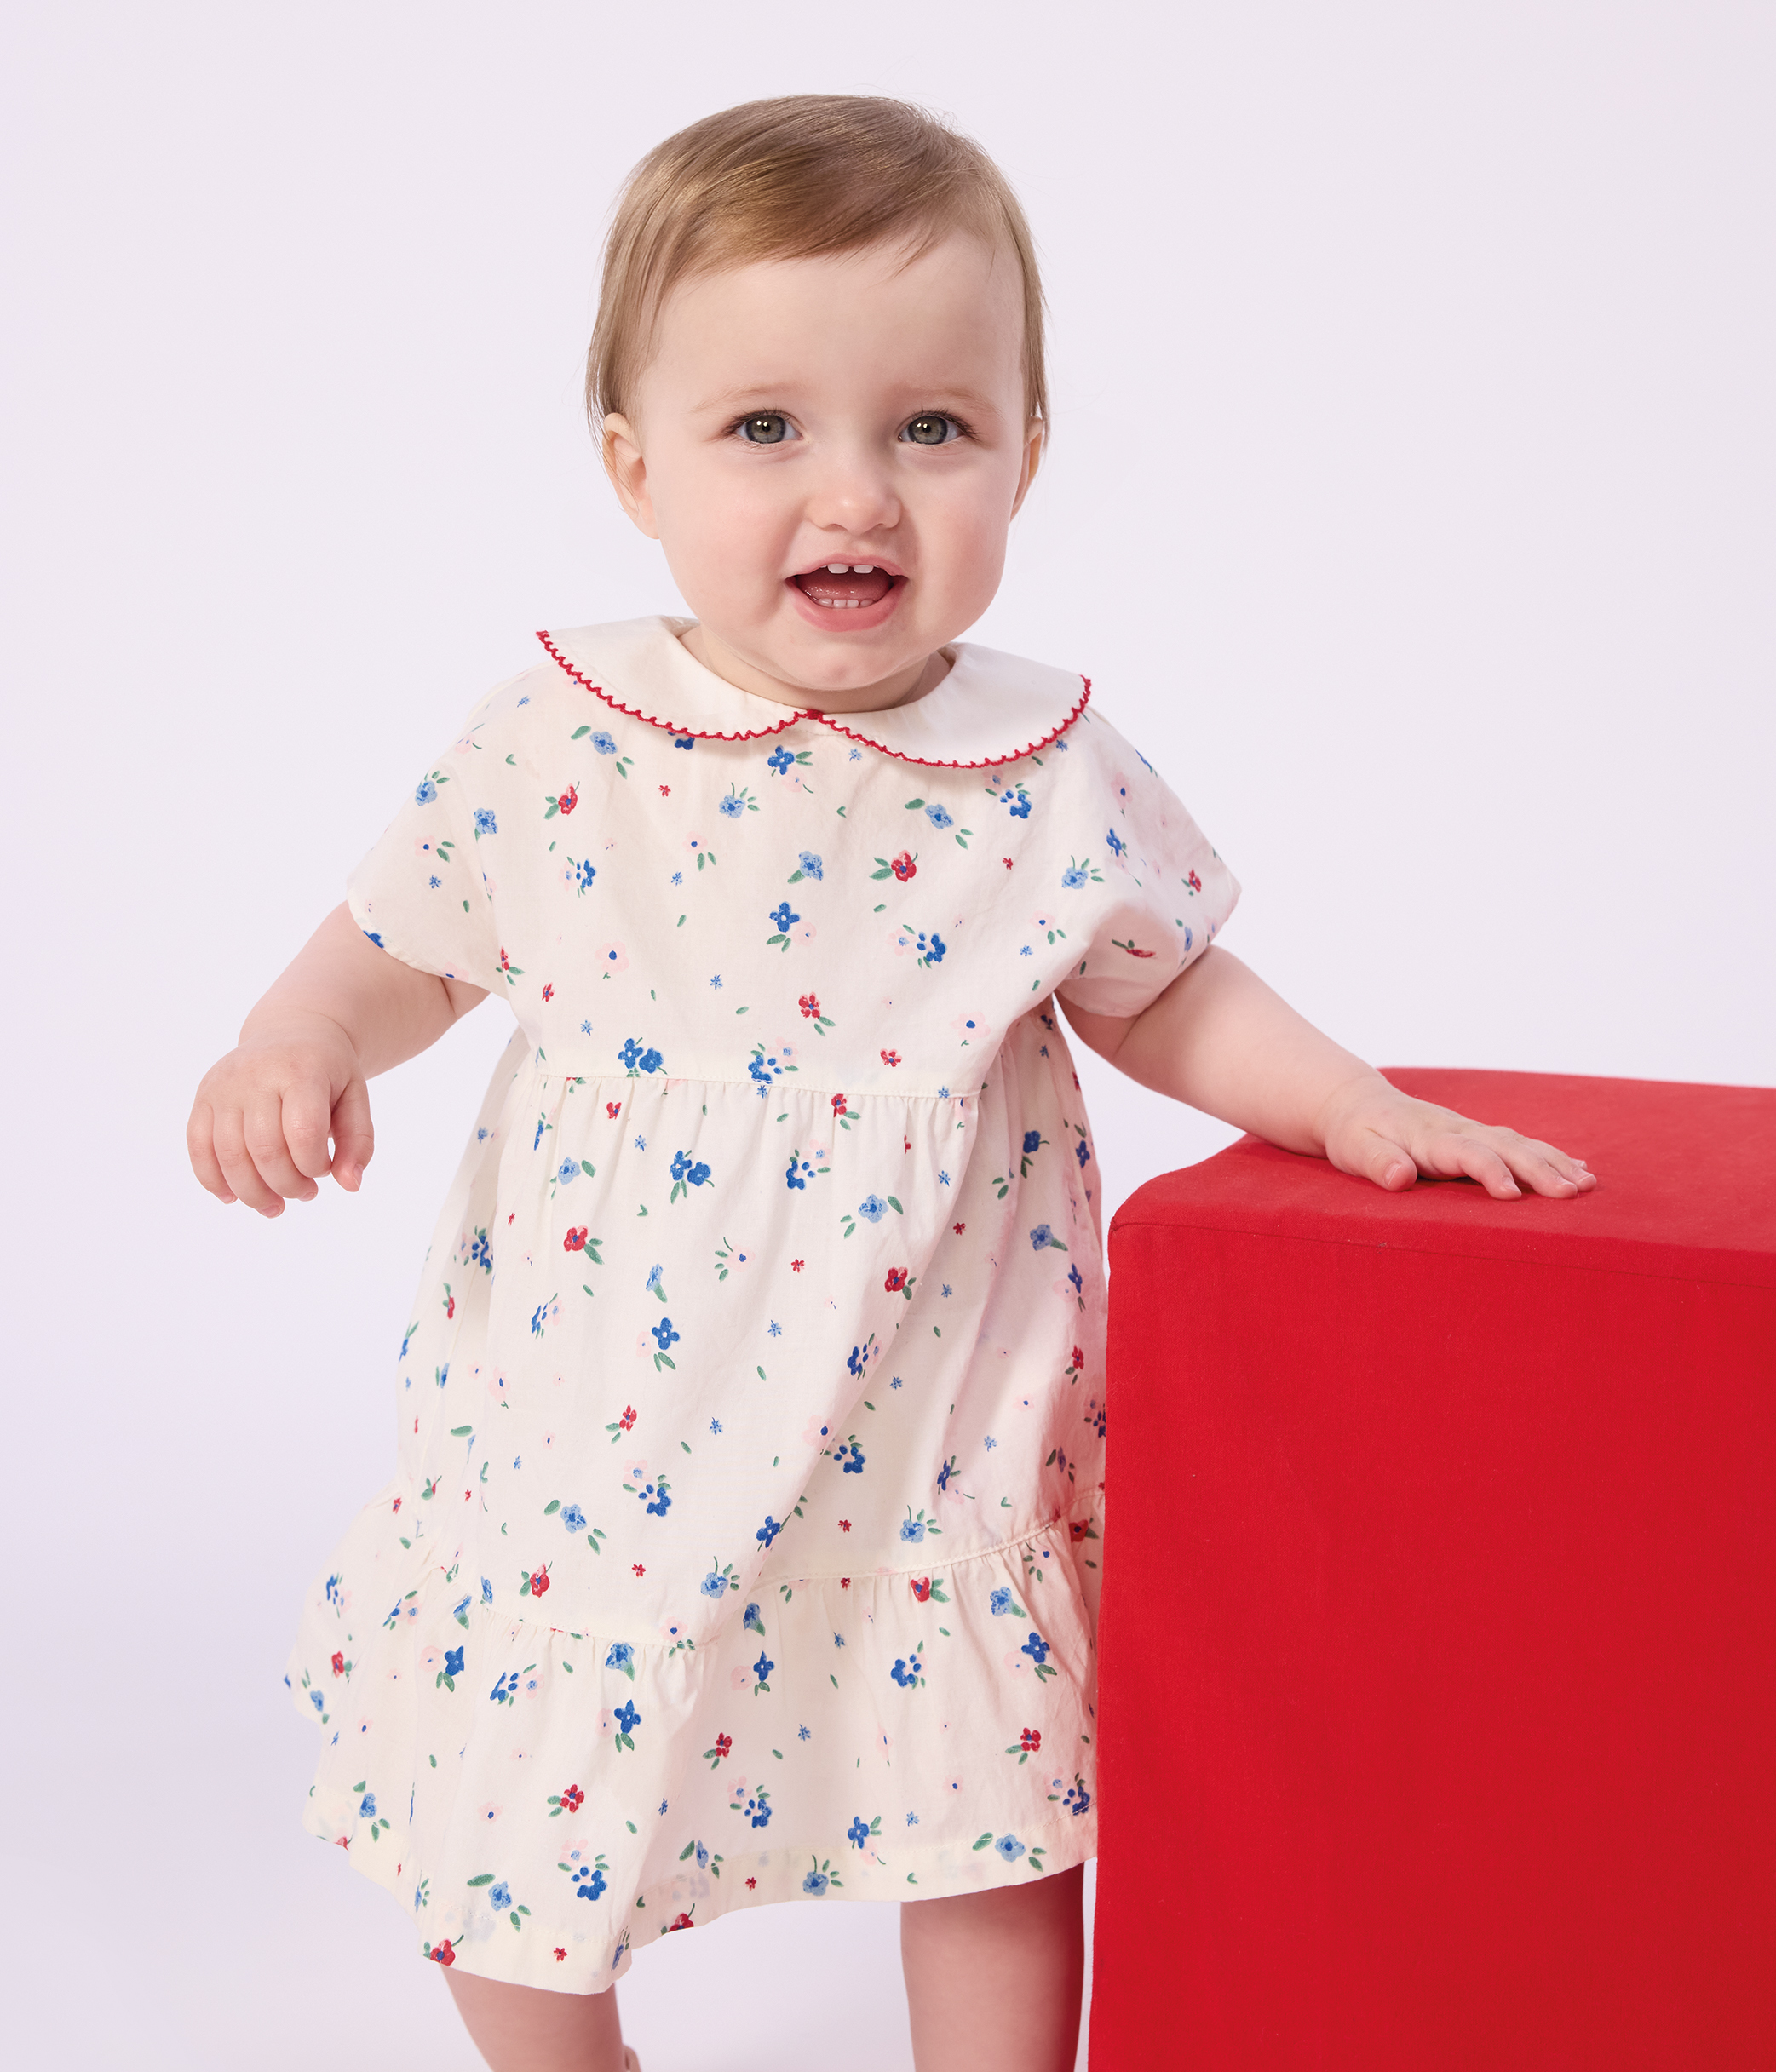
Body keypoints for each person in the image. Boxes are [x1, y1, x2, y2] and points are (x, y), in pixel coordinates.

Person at [187, 95, 1595, 2072]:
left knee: (996, 1810)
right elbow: (402, 941)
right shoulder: (559, 739)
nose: (853, 494)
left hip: (934, 1430)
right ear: (632, 466)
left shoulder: (1042, 770)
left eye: (929, 428)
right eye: (764, 429)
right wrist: (297, 1041)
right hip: (600, 1437)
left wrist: (1344, 1101)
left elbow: (1165, 987)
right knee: (515, 1813)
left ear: (1025, 453)